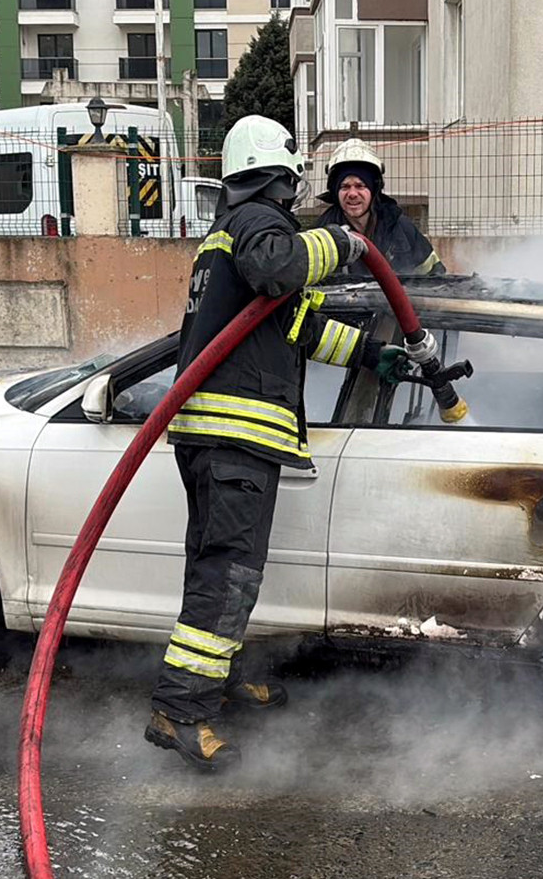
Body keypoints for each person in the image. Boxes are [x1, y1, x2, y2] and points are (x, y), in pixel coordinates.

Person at [145, 115, 409, 772]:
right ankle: (181, 714)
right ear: (278, 172)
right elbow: (280, 268)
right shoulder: (259, 224)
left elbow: (292, 324)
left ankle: (215, 680)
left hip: (215, 436)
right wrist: (345, 243)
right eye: (293, 180)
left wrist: (375, 357)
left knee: (218, 570)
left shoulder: (223, 234)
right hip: (234, 439)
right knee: (227, 574)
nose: (298, 192)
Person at [316, 137, 445, 277]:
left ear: (374, 189)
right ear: (335, 192)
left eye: (360, 186)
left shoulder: (401, 228)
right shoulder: (322, 233)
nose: (352, 194)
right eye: (345, 186)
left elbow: (436, 276)